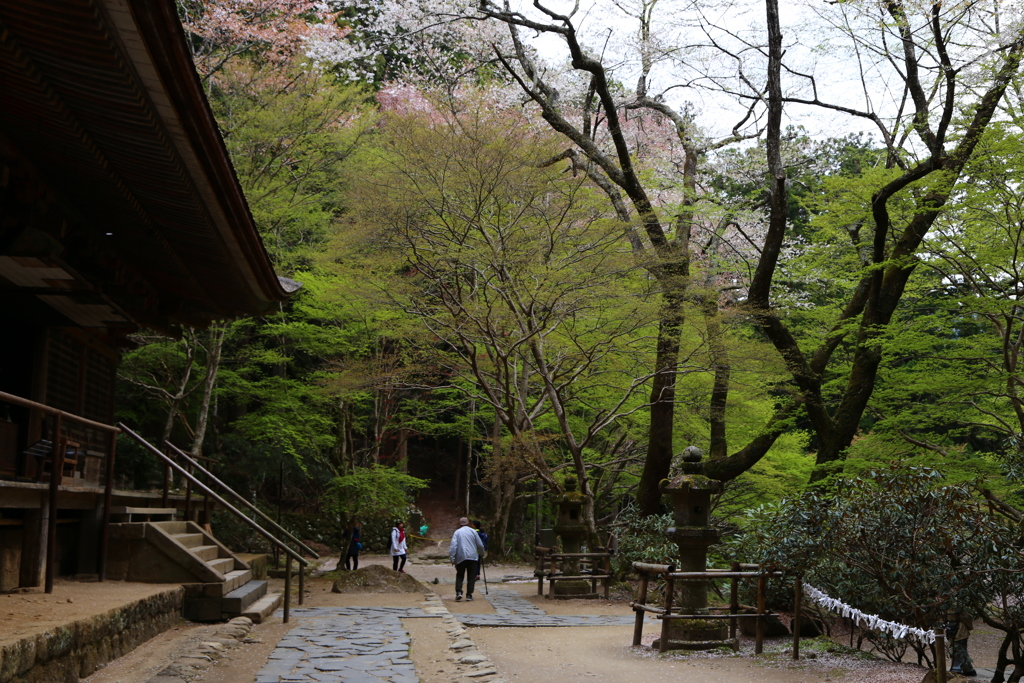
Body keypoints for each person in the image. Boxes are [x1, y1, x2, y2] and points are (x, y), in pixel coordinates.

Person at [450, 517, 484, 601]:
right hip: (472, 557)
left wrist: (452, 559)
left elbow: (453, 546)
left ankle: (458, 592)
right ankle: (469, 595)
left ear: (460, 523)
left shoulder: (457, 532)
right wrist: (482, 553)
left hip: (460, 557)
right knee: (471, 577)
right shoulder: (473, 531)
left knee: (460, 575)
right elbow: (480, 545)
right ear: (468, 523)